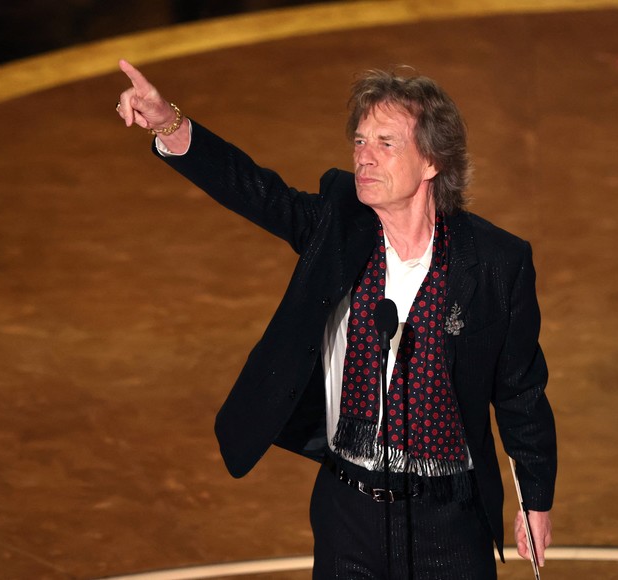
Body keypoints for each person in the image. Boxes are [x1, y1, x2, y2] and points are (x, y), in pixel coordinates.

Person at [116, 58, 556, 579]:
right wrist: (169, 124)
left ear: (433, 161)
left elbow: (519, 391)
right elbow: (253, 189)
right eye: (360, 141)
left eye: (385, 143)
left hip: (449, 518)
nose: (364, 157)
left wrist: (535, 497)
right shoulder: (337, 225)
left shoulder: (496, 263)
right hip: (349, 510)